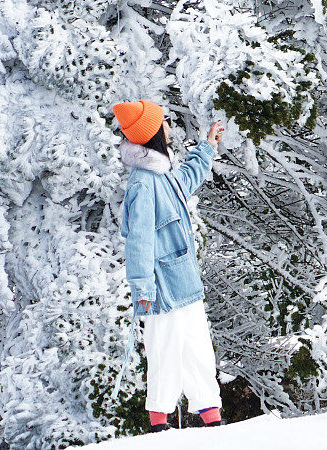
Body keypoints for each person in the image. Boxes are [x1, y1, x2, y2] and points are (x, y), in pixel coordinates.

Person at [111, 99, 225, 433]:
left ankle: (213, 419)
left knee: (197, 349)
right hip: (161, 286)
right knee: (164, 350)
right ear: (154, 132)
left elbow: (186, 181)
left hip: (183, 280)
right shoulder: (143, 185)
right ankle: (158, 426)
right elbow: (139, 241)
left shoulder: (161, 173)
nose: (170, 127)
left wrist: (207, 147)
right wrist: (143, 288)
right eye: (165, 122)